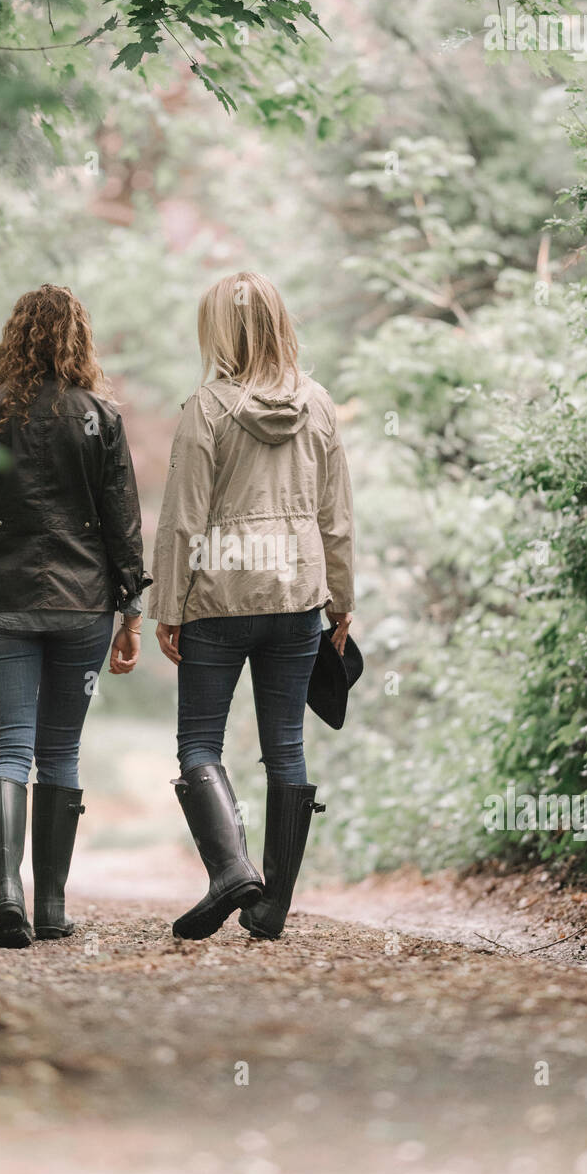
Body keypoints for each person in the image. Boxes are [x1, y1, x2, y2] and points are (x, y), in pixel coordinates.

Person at [0, 284, 150, 949]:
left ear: (14, 336)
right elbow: (123, 524)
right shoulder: (99, 417)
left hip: (1, 603)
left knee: (8, 748)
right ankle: (51, 908)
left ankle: (6, 898)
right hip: (82, 605)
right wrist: (130, 608)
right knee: (59, 751)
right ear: (79, 340)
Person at [149, 271, 354, 941]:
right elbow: (337, 519)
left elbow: (182, 519)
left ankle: (232, 869)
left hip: (219, 597)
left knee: (199, 743)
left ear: (221, 331)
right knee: (285, 748)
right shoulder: (318, 405)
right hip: (297, 597)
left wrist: (168, 607)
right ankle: (271, 909)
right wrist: (341, 602)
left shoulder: (206, 408)